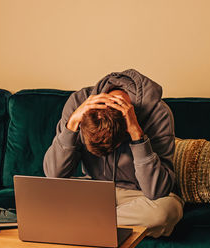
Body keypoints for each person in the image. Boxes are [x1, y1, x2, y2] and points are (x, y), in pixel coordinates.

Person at [43, 69, 184, 238]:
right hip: (94, 192)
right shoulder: (78, 102)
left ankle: (82, 223)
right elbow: (53, 175)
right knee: (41, 201)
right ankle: (100, 223)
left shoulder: (159, 113)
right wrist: (71, 124)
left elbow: (156, 191)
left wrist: (137, 135)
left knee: (164, 213)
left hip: (139, 196)